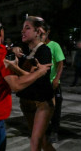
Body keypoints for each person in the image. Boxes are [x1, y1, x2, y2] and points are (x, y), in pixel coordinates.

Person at [0, 17, 51, 151]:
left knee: (37, 140)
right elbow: (16, 85)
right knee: (37, 140)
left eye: (27, 27)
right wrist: (39, 72)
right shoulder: (1, 54)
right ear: (1, 33)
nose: (22, 31)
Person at [13, 16, 55, 151]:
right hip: (26, 101)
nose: (22, 31)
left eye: (27, 28)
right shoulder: (23, 50)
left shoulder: (44, 51)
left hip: (41, 103)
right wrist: (14, 49)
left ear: (38, 32)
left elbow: (35, 77)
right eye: (22, 28)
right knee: (42, 141)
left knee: (35, 142)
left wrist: (15, 68)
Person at [41, 24, 65, 141]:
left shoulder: (54, 46)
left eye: (43, 33)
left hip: (53, 83)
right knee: (42, 109)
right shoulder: (37, 46)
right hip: (41, 84)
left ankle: (54, 131)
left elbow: (60, 63)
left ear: (48, 32)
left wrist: (56, 79)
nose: (41, 35)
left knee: (55, 109)